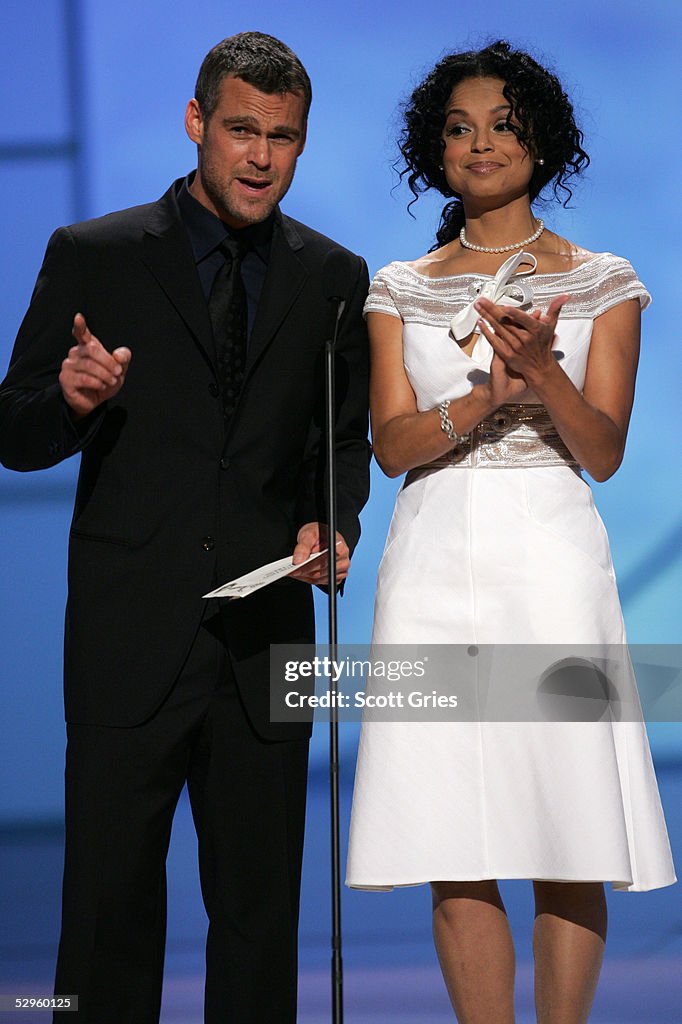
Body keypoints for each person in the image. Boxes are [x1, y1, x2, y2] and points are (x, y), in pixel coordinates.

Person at [0, 31, 370, 1024]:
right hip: (131, 635)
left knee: (257, 921)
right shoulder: (96, 257)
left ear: (301, 143)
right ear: (197, 122)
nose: (260, 156)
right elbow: (13, 429)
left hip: (264, 644)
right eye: (242, 129)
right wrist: (70, 402)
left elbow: (338, 447)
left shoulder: (333, 279)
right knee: (107, 915)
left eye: (282, 137)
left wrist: (329, 525)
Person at [346, 40, 675, 1024]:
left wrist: (542, 375)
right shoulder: (398, 285)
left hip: (549, 558)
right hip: (432, 560)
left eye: (503, 124)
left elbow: (603, 450)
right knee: (455, 829)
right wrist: (484, 400)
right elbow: (392, 446)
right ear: (433, 152)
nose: (480, 143)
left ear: (542, 141)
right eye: (459, 128)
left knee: (564, 821)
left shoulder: (602, 280)